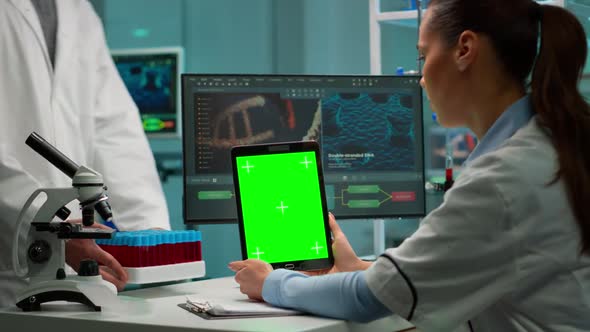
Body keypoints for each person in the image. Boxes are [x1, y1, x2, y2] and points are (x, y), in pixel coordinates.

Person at [229, 0, 590, 331]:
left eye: (423, 57)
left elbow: (366, 300)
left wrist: (270, 283)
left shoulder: (503, 179)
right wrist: (362, 270)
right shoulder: (552, 144)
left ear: (464, 50)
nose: (420, 78)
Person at [0, 0, 171, 307]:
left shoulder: (79, 11)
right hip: (9, 263)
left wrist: (147, 231)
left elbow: (113, 127)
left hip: (74, 267)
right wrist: (54, 231)